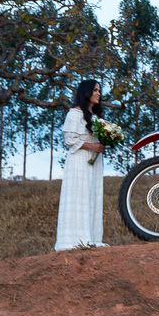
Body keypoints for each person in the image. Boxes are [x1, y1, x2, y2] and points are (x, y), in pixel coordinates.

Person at [54, 79, 108, 250]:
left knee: (93, 196)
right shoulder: (74, 114)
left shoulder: (97, 117)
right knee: (79, 195)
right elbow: (70, 139)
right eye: (95, 90)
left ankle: (91, 237)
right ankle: (75, 239)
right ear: (86, 92)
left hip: (95, 162)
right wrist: (91, 146)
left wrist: (105, 142)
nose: (99, 93)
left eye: (100, 90)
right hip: (79, 160)